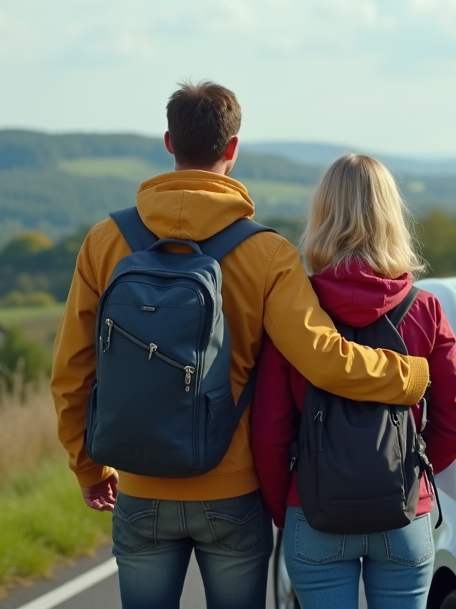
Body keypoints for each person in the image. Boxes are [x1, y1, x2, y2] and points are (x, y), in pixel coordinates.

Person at [50, 83, 431, 609]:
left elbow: (72, 370)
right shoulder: (267, 252)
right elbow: (323, 359)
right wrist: (410, 376)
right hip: (231, 488)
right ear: (233, 148)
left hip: (139, 483)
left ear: (168, 142)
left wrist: (87, 465)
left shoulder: (104, 241)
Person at [251, 154, 456, 609]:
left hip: (314, 513)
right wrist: (410, 474)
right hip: (403, 514)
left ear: (322, 216)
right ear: (391, 217)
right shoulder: (425, 309)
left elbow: (270, 433)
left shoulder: (297, 312)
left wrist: (289, 507)